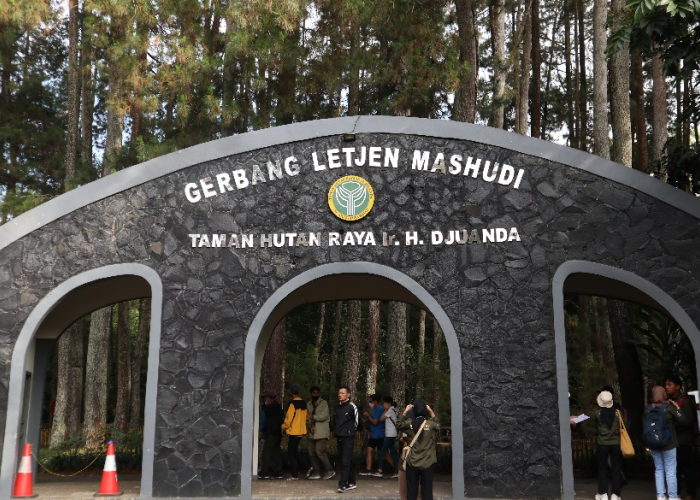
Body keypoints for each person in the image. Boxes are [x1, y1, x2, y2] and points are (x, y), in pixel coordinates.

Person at [645, 385, 683, 500]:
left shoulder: (647, 409)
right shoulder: (669, 408)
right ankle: (672, 496)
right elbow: (683, 420)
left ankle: (661, 496)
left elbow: (645, 428)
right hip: (669, 444)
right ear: (664, 395)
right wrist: (678, 408)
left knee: (659, 469)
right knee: (670, 471)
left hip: (653, 444)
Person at [397, 400, 439, 500]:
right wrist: (431, 411)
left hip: (412, 463)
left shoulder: (409, 424)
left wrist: (405, 411)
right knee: (427, 492)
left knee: (411, 491)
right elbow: (438, 424)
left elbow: (398, 424)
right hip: (427, 463)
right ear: (425, 411)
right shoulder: (431, 424)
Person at [665, 375, 698, 500]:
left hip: (684, 440)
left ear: (677, 387)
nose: (667, 387)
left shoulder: (685, 402)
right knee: (675, 468)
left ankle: (691, 493)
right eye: (666, 385)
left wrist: (672, 423)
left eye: (670, 385)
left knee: (688, 467)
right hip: (673, 440)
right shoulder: (667, 402)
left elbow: (688, 421)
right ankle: (676, 492)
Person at [593, 390, 622, 500]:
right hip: (615, 443)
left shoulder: (597, 413)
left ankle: (603, 493)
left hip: (602, 443)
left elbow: (595, 426)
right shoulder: (617, 412)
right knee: (616, 468)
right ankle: (615, 494)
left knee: (602, 469)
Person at [281, 383, 310, 481]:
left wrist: (283, 427)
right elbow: (305, 417)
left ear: (290, 392)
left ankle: (295, 475)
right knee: (295, 452)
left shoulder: (292, 404)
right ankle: (308, 467)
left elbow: (289, 417)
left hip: (294, 431)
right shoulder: (303, 403)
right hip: (301, 430)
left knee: (290, 453)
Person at [306, 385, 335, 480]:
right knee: (311, 453)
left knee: (319, 451)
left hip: (322, 432)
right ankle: (316, 471)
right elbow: (307, 417)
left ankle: (330, 470)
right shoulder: (309, 404)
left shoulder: (324, 403)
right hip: (312, 432)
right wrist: (309, 427)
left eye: (317, 393)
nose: (316, 394)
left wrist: (313, 417)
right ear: (311, 394)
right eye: (314, 393)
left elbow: (324, 415)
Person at [335, 386, 359, 493]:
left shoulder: (352, 407)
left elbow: (357, 422)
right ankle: (352, 481)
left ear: (348, 394)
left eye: (343, 393)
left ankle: (342, 484)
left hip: (348, 437)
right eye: (339, 393)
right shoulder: (337, 407)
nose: (340, 395)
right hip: (339, 437)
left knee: (345, 460)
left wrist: (350, 432)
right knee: (344, 460)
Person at [259, 390, 284, 479]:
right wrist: (263, 430)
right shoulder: (275, 407)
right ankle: (278, 471)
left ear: (270, 398)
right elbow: (268, 421)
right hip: (275, 432)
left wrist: (266, 406)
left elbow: (268, 415)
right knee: (276, 452)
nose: (265, 400)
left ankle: (265, 471)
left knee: (267, 450)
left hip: (274, 432)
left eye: (266, 398)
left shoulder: (274, 407)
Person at [361, 394, 386, 475]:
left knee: (384, 452)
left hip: (379, 435)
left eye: (371, 401)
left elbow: (375, 422)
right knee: (369, 450)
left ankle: (395, 467)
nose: (370, 403)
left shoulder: (379, 409)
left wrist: (368, 416)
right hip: (374, 434)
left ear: (375, 401)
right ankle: (368, 469)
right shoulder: (375, 409)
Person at [375, 396, 399, 477]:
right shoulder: (392, 410)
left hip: (390, 435)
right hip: (392, 434)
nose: (383, 404)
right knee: (393, 453)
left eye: (385, 403)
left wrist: (386, 410)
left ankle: (379, 470)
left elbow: (381, 418)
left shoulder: (390, 410)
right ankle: (397, 471)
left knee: (382, 451)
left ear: (389, 403)